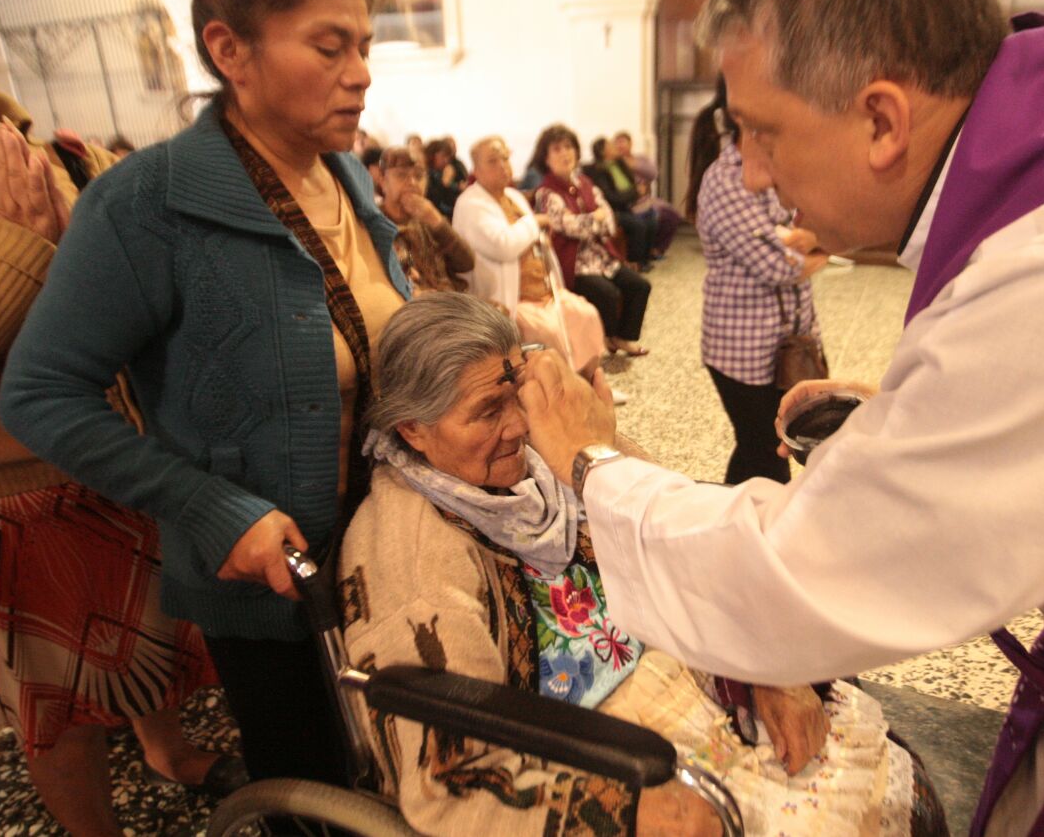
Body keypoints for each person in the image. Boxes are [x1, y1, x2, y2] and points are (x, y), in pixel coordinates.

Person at [517, 0, 1044, 834]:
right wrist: (911, 411)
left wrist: (594, 464)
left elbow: (802, 575)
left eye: (761, 131)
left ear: (882, 122)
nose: (749, 170)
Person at [0, 0, 409, 790]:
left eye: (366, 46)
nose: (361, 73)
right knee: (314, 783)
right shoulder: (147, 205)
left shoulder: (345, 179)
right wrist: (212, 509)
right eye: (330, 48)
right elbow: (40, 393)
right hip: (275, 588)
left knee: (397, 764)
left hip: (387, 554)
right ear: (230, 52)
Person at [340, 293, 947, 837]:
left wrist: (765, 667)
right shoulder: (411, 554)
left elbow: (687, 539)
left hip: (683, 686)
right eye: (486, 411)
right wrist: (620, 812)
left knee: (898, 797)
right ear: (412, 430)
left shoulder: (553, 449)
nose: (520, 427)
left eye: (518, 398)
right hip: (581, 759)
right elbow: (451, 774)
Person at [0, 8, 233, 835]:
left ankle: (168, 748)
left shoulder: (54, 148)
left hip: (119, 449)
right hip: (17, 489)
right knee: (62, 704)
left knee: (150, 644)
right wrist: (26, 242)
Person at [683, 79, 827, 485]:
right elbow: (779, 266)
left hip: (786, 340)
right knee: (765, 450)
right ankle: (750, 535)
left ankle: (729, 524)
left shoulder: (782, 165)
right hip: (742, 351)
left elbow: (817, 225)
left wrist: (813, 241)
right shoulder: (727, 179)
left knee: (759, 446)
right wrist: (821, 245)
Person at [452, 136, 607, 379]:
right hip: (511, 298)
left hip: (543, 291)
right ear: (476, 169)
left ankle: (590, 380)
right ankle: (561, 394)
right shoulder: (470, 203)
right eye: (493, 160)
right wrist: (534, 221)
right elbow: (504, 246)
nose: (503, 165)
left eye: (505, 157)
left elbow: (537, 239)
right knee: (548, 330)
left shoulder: (513, 196)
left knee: (585, 314)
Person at [531, 124, 652, 357]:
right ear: (546, 158)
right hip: (574, 262)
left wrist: (591, 220)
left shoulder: (585, 182)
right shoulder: (546, 192)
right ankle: (604, 338)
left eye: (568, 147)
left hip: (601, 256)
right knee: (608, 293)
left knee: (640, 285)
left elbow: (608, 220)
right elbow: (568, 226)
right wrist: (592, 219)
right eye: (556, 149)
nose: (565, 153)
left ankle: (622, 337)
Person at [369, 145, 474, 293]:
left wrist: (437, 222)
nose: (412, 183)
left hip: (449, 302)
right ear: (382, 180)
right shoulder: (373, 225)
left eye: (419, 176)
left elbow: (466, 264)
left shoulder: (427, 217)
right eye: (401, 175)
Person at [583, 136, 657, 270]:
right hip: (614, 209)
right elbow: (611, 197)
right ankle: (635, 262)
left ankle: (646, 258)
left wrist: (636, 192)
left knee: (652, 219)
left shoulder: (619, 163)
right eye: (610, 146)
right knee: (638, 225)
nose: (614, 147)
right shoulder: (599, 171)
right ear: (603, 152)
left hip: (630, 203)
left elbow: (633, 182)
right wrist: (635, 193)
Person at [612, 130, 681, 259]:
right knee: (654, 215)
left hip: (647, 198)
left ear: (630, 143)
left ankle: (657, 249)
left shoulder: (640, 159)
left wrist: (632, 165)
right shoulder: (614, 164)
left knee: (673, 215)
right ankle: (647, 251)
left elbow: (653, 173)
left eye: (623, 142)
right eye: (617, 143)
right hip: (631, 201)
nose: (620, 145)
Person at [424, 137, 464, 219]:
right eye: (443, 156)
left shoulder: (444, 171)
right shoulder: (426, 174)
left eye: (448, 158)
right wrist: (445, 184)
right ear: (432, 155)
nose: (446, 161)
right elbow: (436, 202)